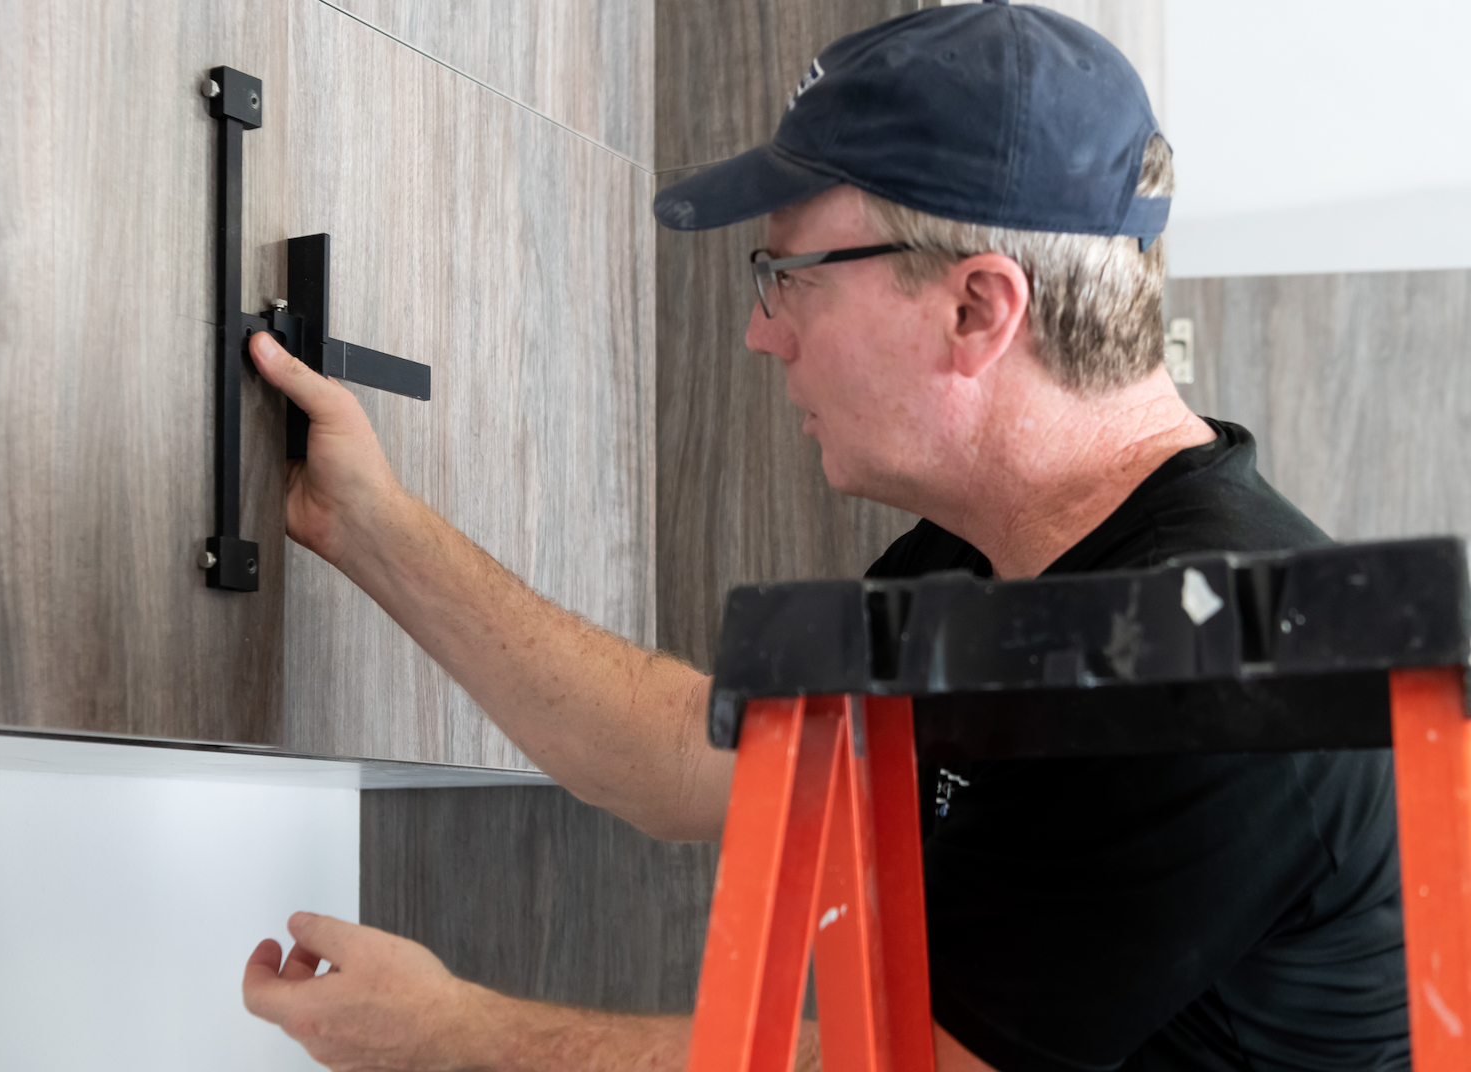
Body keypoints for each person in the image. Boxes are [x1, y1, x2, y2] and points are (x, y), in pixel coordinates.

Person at [240, 3, 1409, 1070]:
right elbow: (688, 759)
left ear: (976, 308)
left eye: (790, 276)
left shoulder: (1225, 664)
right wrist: (372, 526)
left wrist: (452, 1039)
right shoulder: (975, 567)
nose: (762, 332)